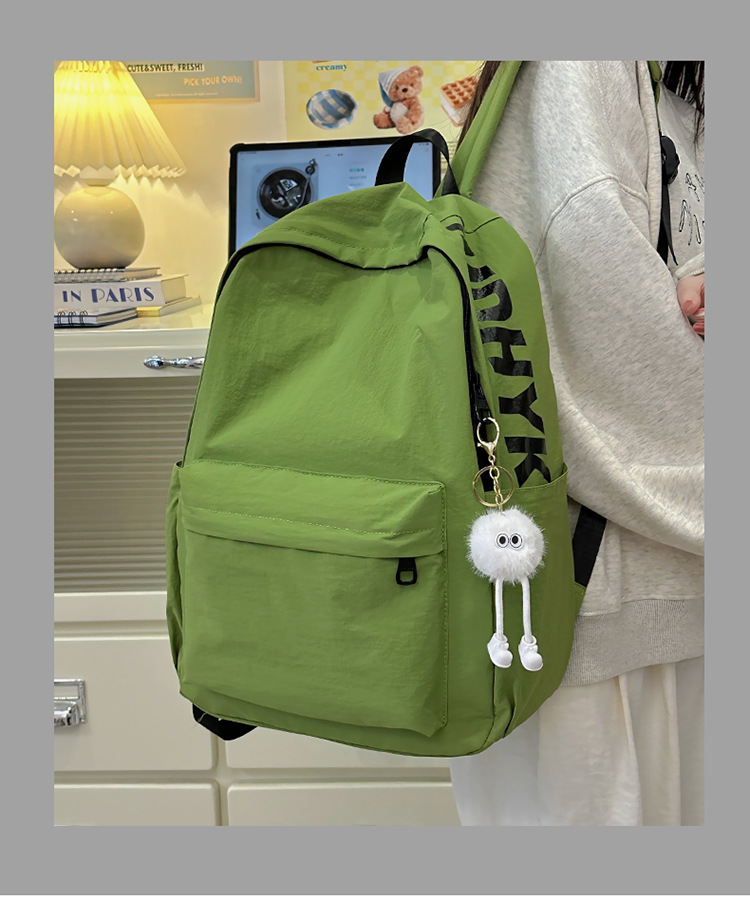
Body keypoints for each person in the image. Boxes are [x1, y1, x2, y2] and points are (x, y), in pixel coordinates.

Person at [448, 61, 705, 826]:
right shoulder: (584, 61)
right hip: (604, 609)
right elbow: (593, 329)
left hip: (618, 594)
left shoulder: (659, 78)